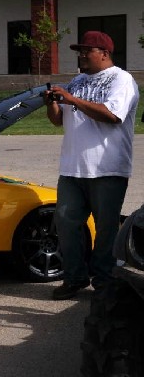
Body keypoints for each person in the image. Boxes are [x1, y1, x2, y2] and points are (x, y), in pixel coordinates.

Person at [45, 31, 139, 300]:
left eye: (87, 50)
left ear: (104, 54)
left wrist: (72, 99)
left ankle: (104, 281)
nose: (82, 55)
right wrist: (51, 104)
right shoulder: (77, 81)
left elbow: (113, 115)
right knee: (65, 224)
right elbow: (58, 121)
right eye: (79, 51)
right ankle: (74, 278)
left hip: (107, 168)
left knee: (106, 228)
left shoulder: (122, 79)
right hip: (72, 168)